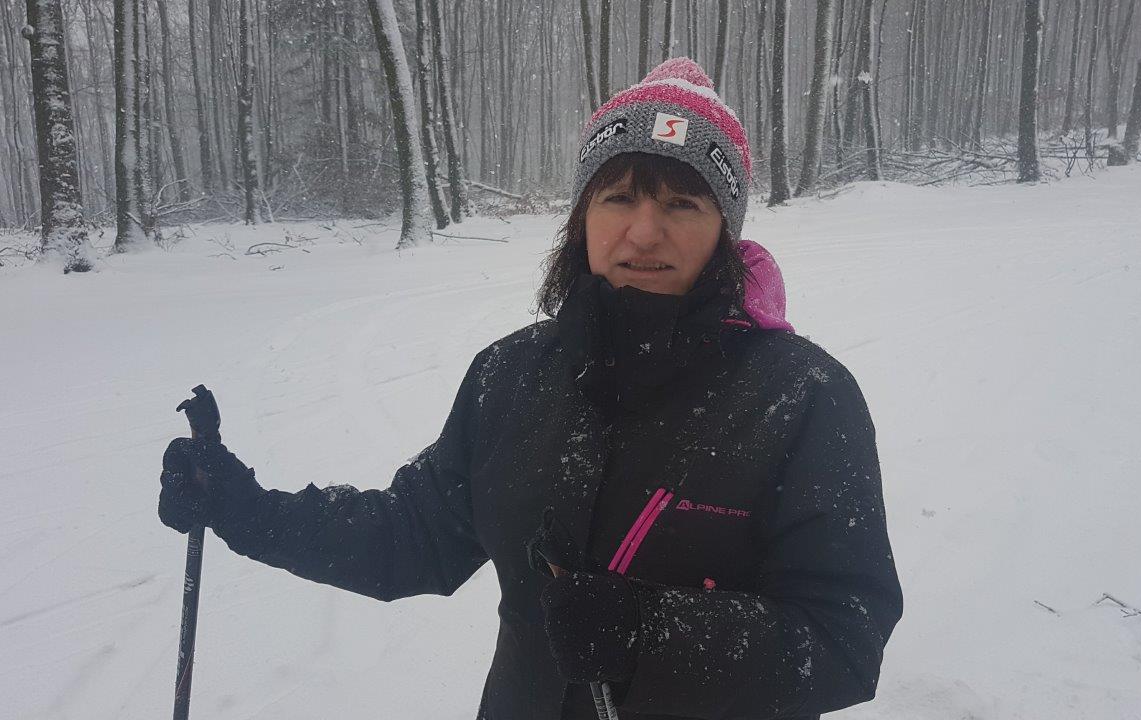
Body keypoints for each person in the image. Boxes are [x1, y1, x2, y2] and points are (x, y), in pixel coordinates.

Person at [158, 58, 902, 720]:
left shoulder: (803, 396)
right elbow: (411, 538)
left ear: (724, 228)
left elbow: (843, 636)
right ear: (581, 219)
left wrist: (652, 637)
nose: (644, 233)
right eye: (618, 198)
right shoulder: (508, 376)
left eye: (682, 204)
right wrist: (241, 507)